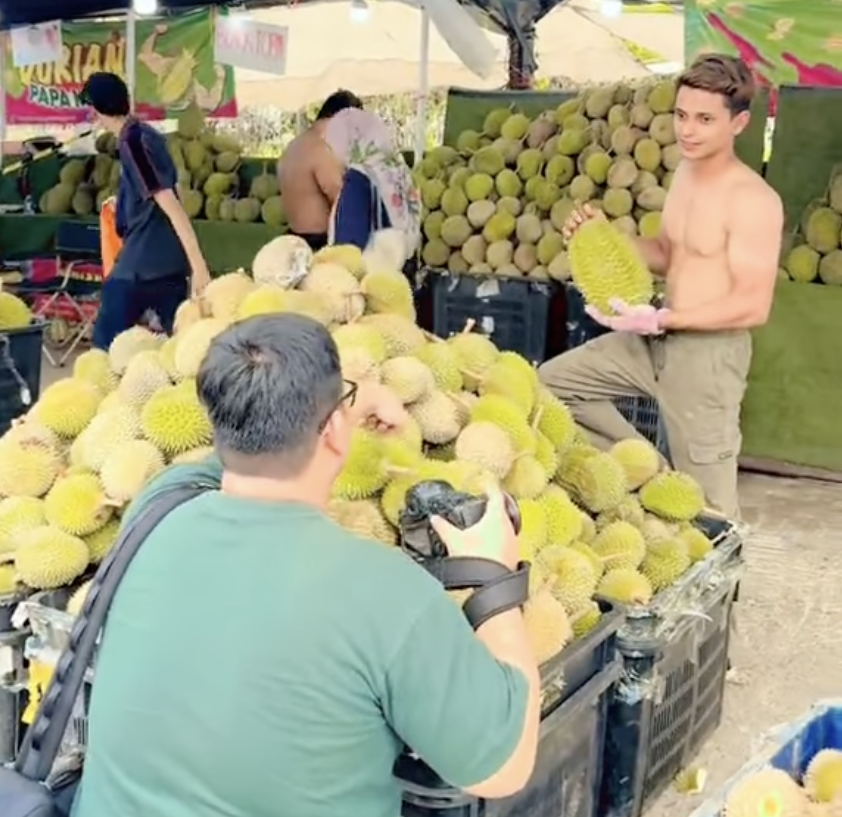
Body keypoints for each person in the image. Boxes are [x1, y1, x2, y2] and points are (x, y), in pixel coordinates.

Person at [73, 313, 540, 817]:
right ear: (335, 431)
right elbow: (505, 768)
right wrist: (493, 576)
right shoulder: (388, 593)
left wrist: (342, 406)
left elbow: (243, 451)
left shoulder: (157, 508)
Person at [539, 55, 784, 518]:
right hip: (655, 337)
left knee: (711, 508)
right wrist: (604, 237)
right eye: (682, 115)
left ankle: (720, 587)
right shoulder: (686, 174)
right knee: (554, 386)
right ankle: (651, 474)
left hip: (707, 357)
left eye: (705, 119)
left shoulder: (753, 201)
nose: (688, 130)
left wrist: (665, 317)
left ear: (740, 123)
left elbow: (753, 305)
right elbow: (670, 254)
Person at [80, 72, 211, 350]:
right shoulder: (143, 134)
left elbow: (173, 206)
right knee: (172, 352)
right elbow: (169, 190)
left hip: (143, 267)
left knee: (104, 350)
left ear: (96, 108)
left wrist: (200, 268)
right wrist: (127, 203)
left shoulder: (133, 142)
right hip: (165, 264)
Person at [323, 106, 422, 267]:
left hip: (371, 280)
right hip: (403, 270)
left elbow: (349, 243)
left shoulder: (359, 176)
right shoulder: (398, 168)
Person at [277, 90, 364, 250]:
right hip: (317, 244)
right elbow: (343, 200)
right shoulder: (322, 150)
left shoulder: (294, 145)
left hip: (294, 237)